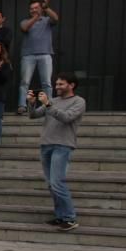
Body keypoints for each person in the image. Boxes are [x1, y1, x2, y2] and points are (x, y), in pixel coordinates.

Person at [28, 72, 86, 231]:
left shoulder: (79, 101)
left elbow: (67, 118)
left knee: (57, 182)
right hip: (46, 144)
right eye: (56, 84)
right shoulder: (52, 100)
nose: (57, 87)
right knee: (51, 184)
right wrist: (32, 103)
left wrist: (48, 105)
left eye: (61, 84)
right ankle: (60, 216)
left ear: (71, 85)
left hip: (63, 145)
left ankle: (69, 218)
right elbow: (33, 115)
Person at [17, 0, 59, 114]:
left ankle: (48, 105)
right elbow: (25, 28)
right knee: (25, 82)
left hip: (45, 54)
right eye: (31, 8)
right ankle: (22, 105)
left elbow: (55, 18)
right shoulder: (25, 21)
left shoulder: (46, 20)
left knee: (46, 82)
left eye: (36, 8)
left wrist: (46, 8)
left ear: (40, 8)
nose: (33, 10)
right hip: (28, 55)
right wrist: (36, 17)